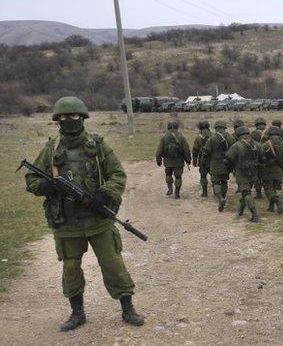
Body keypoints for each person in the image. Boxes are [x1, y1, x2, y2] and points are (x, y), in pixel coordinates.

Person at [24, 96, 144, 331]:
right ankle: (77, 313)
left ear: (83, 118)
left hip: (98, 219)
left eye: (74, 116)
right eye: (64, 117)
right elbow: (32, 180)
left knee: (113, 264)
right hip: (66, 223)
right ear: (57, 120)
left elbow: (118, 174)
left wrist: (103, 194)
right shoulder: (51, 150)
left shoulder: (98, 146)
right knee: (70, 268)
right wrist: (47, 186)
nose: (70, 120)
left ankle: (128, 308)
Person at [225, 126, 262, 222]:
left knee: (246, 193)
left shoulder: (236, 145)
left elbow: (228, 158)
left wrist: (230, 169)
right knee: (246, 191)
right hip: (254, 171)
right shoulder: (256, 144)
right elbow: (262, 157)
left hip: (241, 172)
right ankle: (241, 209)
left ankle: (254, 214)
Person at [202, 120, 236, 212]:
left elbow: (206, 152)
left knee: (215, 182)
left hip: (215, 164)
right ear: (224, 128)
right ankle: (223, 197)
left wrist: (203, 162)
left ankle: (220, 198)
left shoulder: (212, 138)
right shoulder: (231, 138)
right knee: (224, 182)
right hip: (227, 164)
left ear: (216, 128)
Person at [155, 120, 191, 199]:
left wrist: (159, 160)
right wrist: (188, 160)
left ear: (168, 128)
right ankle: (177, 193)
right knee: (178, 177)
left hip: (168, 162)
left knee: (168, 175)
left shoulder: (164, 138)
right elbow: (186, 150)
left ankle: (170, 189)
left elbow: (159, 151)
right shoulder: (181, 137)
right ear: (177, 127)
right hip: (178, 162)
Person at [261, 126, 283, 214]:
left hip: (268, 170)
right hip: (279, 171)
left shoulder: (266, 144)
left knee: (268, 189)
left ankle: (277, 201)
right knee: (273, 188)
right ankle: (271, 206)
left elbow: (260, 157)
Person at [192, 120, 212, 197]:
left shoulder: (198, 138)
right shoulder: (212, 136)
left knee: (203, 176)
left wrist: (194, 161)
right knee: (213, 176)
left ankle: (205, 192)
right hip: (211, 160)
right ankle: (216, 191)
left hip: (202, 160)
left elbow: (194, 151)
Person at [251, 117, 267, 198]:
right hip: (267, 158)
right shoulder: (268, 132)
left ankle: (258, 193)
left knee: (257, 176)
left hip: (257, 157)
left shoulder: (253, 133)